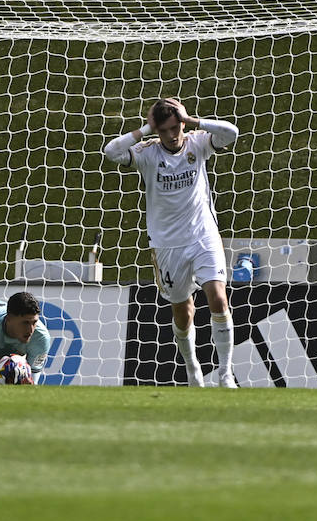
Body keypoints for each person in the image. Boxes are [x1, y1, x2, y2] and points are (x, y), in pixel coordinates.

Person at [103, 97, 240, 388]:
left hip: (203, 236)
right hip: (167, 245)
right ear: (157, 129)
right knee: (183, 310)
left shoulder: (198, 142)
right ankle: (193, 369)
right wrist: (144, 129)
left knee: (218, 297)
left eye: (175, 127)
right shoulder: (147, 152)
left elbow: (232, 133)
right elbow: (111, 152)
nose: (172, 135)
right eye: (164, 130)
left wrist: (193, 121)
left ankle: (226, 374)